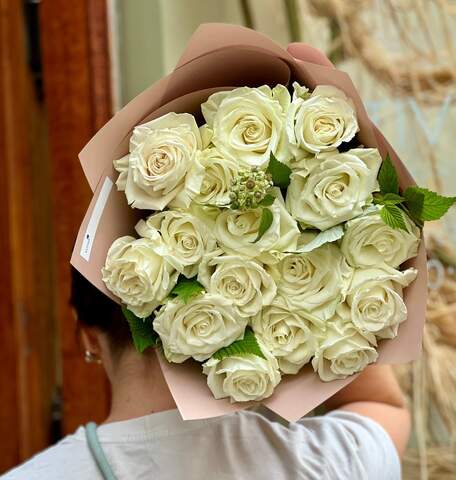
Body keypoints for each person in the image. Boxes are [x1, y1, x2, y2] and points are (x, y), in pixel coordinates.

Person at [2, 44, 411, 480]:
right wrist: (342, 271)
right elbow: (382, 406)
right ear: (247, 311)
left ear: (87, 337)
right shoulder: (328, 463)